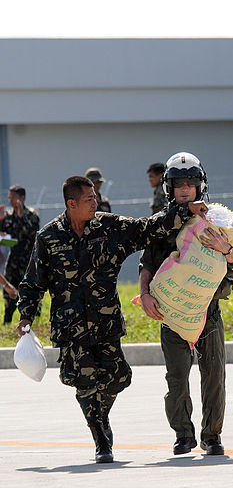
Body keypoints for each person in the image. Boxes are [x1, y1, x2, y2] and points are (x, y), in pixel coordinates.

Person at [16, 175, 207, 464]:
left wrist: (185, 211)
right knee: (85, 382)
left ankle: (100, 416)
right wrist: (25, 316)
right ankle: (101, 439)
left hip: (106, 322)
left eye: (95, 197)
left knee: (118, 378)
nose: (96, 202)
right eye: (89, 199)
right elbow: (33, 283)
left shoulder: (109, 226)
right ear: (71, 204)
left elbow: (147, 228)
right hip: (71, 327)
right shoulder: (48, 238)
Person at [139, 152, 233, 456]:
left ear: (201, 185)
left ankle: (212, 435)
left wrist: (226, 248)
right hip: (173, 314)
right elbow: (146, 265)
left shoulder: (216, 218)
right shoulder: (161, 223)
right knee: (176, 377)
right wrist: (145, 295)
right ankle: (183, 434)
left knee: (214, 375)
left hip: (208, 311)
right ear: (169, 187)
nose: (185, 187)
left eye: (191, 182)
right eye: (178, 182)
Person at [0, 185, 39, 323]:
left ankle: (35, 319)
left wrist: (21, 214)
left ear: (22, 198)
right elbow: (2, 232)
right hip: (13, 259)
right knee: (8, 291)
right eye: (9, 198)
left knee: (30, 290)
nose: (11, 201)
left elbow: (31, 233)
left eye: (14, 198)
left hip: (29, 260)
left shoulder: (32, 215)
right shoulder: (8, 217)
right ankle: (7, 321)